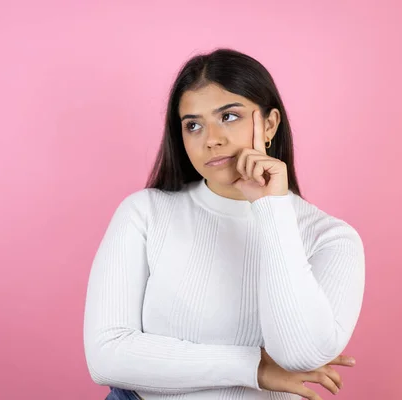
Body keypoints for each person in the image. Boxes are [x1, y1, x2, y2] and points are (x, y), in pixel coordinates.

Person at [83, 48, 365, 400]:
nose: (211, 138)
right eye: (194, 125)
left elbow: (299, 355)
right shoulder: (144, 212)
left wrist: (271, 208)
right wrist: (255, 367)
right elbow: (106, 357)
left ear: (271, 124)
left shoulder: (331, 238)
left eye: (229, 117)